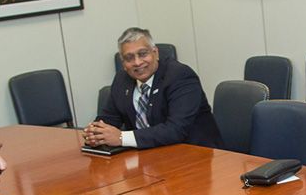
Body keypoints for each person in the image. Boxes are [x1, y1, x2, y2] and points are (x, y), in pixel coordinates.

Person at [84, 27, 224, 149]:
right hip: (149, 158)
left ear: (155, 53)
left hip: (195, 155)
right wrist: (95, 133)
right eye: (129, 58)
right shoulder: (122, 79)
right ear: (123, 63)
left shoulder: (180, 76)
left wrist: (121, 138)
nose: (137, 62)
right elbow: (108, 118)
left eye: (143, 54)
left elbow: (176, 130)